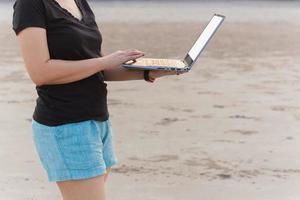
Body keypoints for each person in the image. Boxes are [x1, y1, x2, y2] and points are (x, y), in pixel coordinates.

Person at [12, 0, 185, 199]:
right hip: (64, 126)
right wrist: (104, 61)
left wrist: (150, 72)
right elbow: (40, 72)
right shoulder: (30, 4)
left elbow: (96, 69)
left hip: (97, 122)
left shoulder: (79, 2)